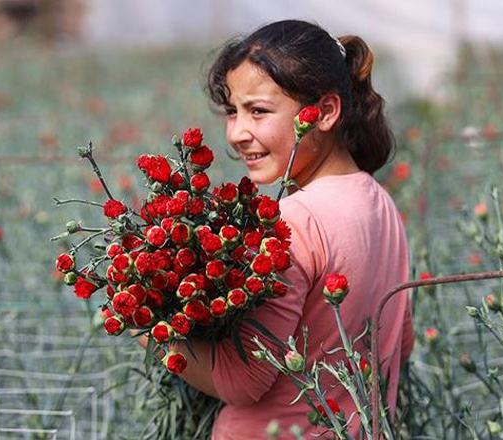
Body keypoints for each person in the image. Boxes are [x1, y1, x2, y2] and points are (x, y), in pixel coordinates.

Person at [140, 20, 414, 439]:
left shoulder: (293, 222)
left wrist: (151, 330)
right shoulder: (380, 203)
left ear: (323, 113)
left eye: (258, 111)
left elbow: (243, 380)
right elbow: (400, 343)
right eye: (233, 111)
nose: (237, 133)